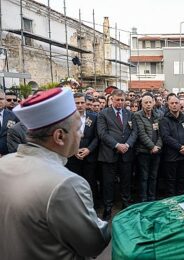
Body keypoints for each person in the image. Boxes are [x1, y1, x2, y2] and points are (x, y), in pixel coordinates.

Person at [0, 88, 110, 259]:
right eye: (78, 128)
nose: (81, 134)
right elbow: (94, 243)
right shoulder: (67, 184)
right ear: (59, 136)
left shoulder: (3, 164)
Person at [97, 89, 138, 220]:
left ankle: (126, 204)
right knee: (108, 183)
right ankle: (108, 208)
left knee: (126, 180)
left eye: (122, 100)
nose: (120, 102)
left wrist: (127, 145)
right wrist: (117, 145)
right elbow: (102, 133)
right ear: (112, 100)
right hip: (109, 154)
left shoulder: (129, 114)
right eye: (117, 100)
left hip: (126, 153)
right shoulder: (103, 114)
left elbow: (134, 132)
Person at [66, 93, 99, 206]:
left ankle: (92, 206)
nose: (80, 105)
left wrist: (89, 150)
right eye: (77, 103)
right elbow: (64, 137)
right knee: (75, 184)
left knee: (90, 183)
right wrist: (74, 150)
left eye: (82, 102)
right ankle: (77, 207)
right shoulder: (67, 118)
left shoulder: (94, 117)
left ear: (86, 103)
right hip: (72, 157)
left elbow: (97, 137)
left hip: (89, 156)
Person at [160, 96, 184, 197]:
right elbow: (166, 137)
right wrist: (180, 147)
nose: (174, 105)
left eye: (176, 103)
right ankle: (172, 201)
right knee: (171, 181)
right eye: (172, 103)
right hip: (171, 156)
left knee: (182, 179)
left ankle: (181, 199)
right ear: (168, 105)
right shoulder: (164, 120)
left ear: (180, 105)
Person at [135, 93, 162, 202]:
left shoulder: (158, 115)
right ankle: (144, 199)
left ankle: (152, 198)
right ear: (141, 104)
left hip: (157, 152)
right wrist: (152, 146)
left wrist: (158, 146)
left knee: (153, 176)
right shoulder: (137, 115)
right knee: (144, 177)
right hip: (144, 152)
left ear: (154, 103)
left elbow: (161, 133)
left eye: (150, 102)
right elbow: (141, 133)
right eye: (146, 102)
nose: (148, 104)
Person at [0, 90, 19, 157]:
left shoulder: (14, 116)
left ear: (4, 100)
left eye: (1, 99)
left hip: (8, 155)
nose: (0, 101)